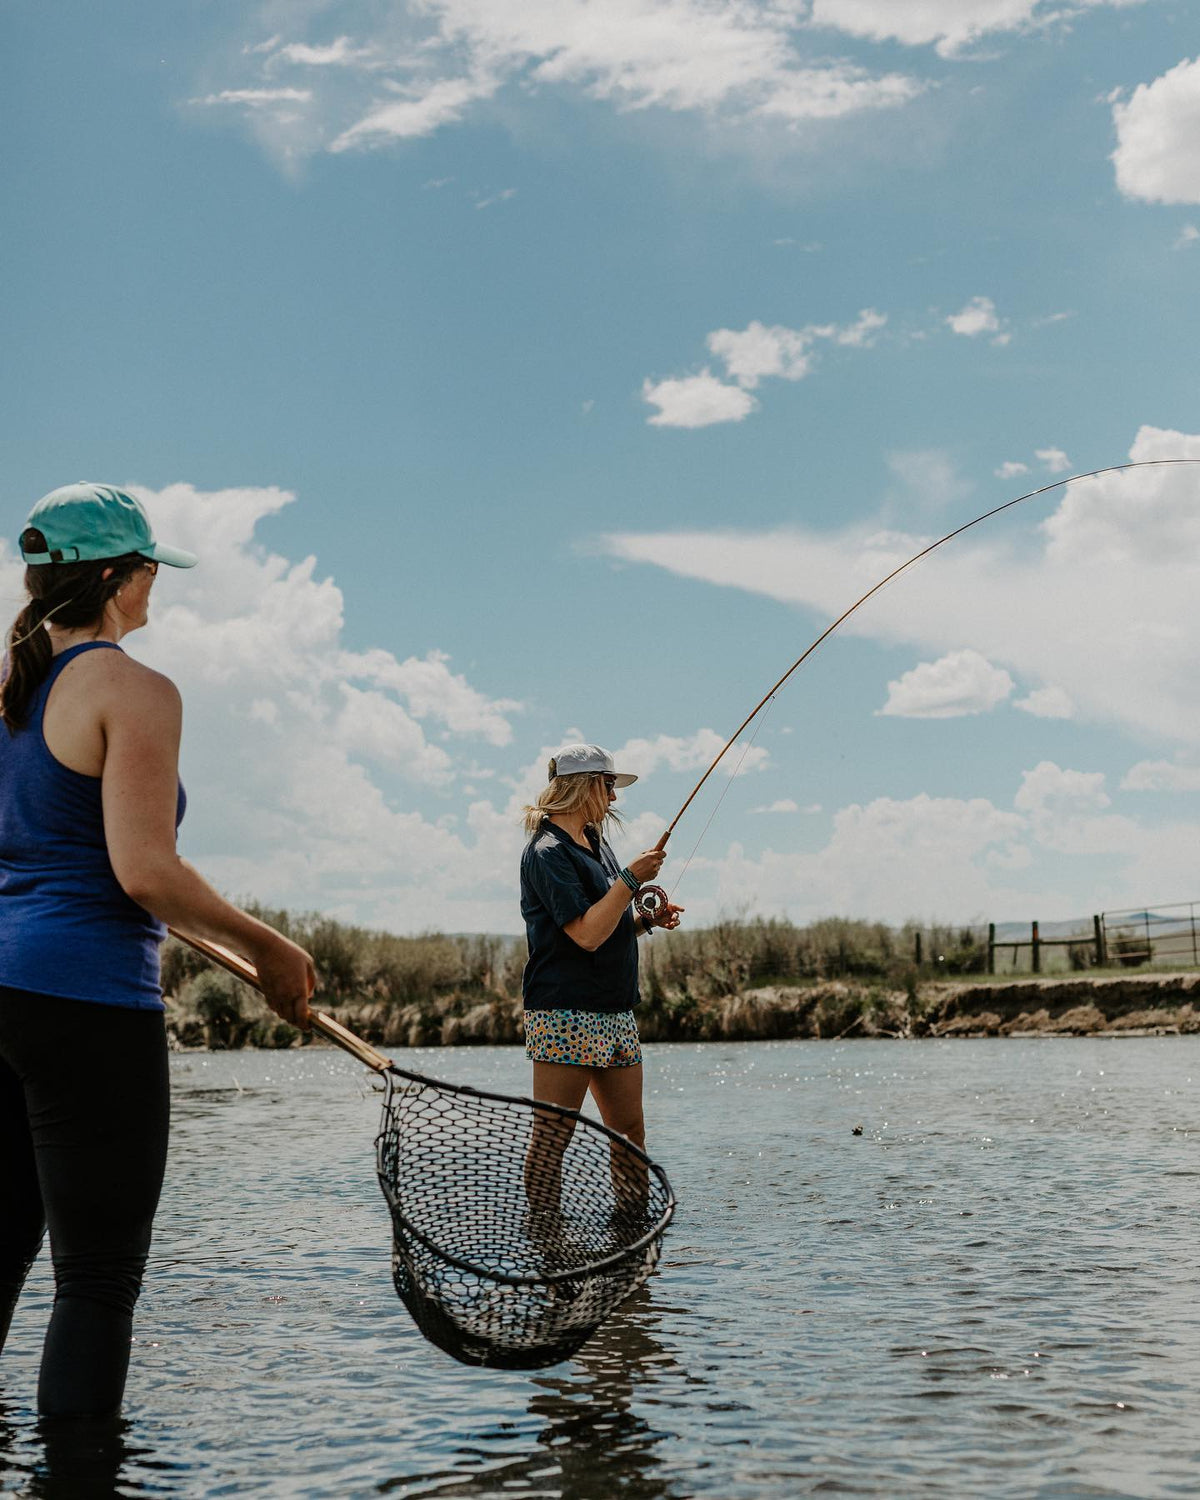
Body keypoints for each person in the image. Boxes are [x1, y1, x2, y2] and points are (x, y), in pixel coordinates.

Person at [0, 482, 315, 1419]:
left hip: (6, 995)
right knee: (95, 1280)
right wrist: (272, 949)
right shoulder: (134, 690)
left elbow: (66, 859)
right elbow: (144, 870)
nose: (153, 588)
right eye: (147, 570)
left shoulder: (8, 692)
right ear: (114, 578)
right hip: (87, 1007)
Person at [519, 744, 682, 1208]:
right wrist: (630, 880)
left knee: (630, 1133)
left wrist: (646, 921)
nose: (614, 798)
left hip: (615, 1008)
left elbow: (608, 924)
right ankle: (545, 1236)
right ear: (585, 785)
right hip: (564, 1010)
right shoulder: (547, 852)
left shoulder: (597, 842)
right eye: (609, 786)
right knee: (554, 1138)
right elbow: (586, 935)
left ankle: (632, 1228)